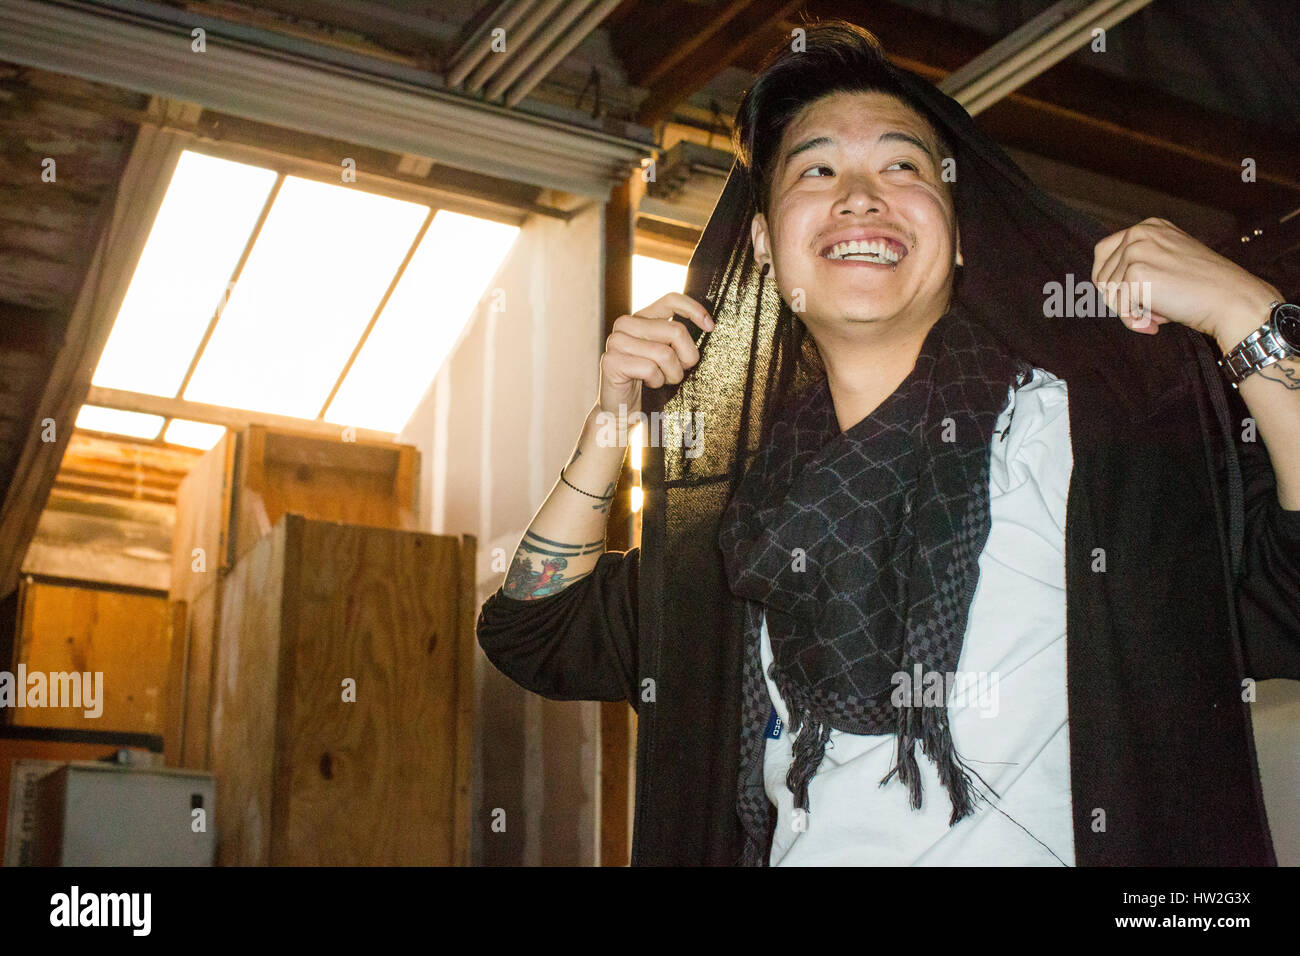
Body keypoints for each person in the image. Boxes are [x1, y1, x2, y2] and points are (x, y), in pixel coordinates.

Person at [477, 20, 1300, 866]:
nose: (860, 195)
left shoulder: (1083, 445)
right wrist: (609, 426)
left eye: (903, 166)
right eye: (816, 169)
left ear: (961, 229)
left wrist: (1249, 315)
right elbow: (533, 631)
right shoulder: (746, 527)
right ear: (762, 244)